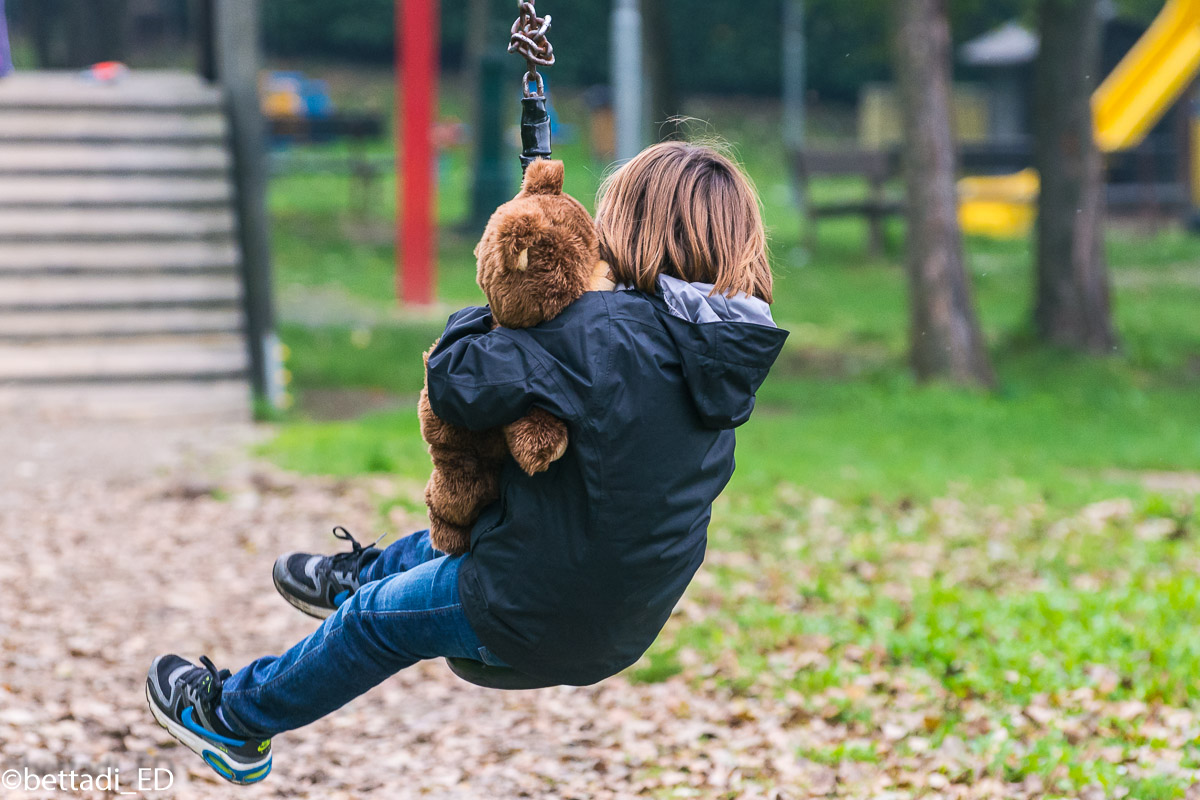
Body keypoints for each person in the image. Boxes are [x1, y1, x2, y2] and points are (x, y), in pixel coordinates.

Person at [144, 141, 790, 784]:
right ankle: (363, 574)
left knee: (370, 625)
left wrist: (514, 291)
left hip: (530, 612)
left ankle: (231, 721)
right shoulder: (726, 351)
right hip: (619, 622)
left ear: (629, 226)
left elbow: (457, 382)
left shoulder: (600, 331)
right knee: (494, 521)